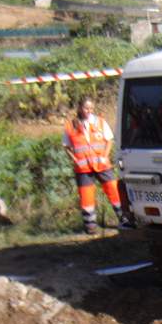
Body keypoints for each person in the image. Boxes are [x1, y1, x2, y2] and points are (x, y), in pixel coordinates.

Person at [63, 97, 129, 234]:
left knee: (114, 190)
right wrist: (74, 159)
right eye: (86, 108)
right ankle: (90, 226)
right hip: (83, 168)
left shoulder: (100, 122)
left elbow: (109, 140)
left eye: (91, 108)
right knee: (86, 196)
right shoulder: (71, 125)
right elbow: (66, 146)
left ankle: (124, 219)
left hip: (102, 164)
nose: (89, 111)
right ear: (80, 108)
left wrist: (105, 155)